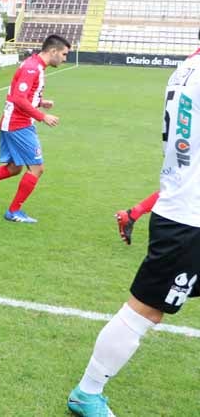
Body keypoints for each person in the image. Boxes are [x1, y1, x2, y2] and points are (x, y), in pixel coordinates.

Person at [66, 40, 200, 417]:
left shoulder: (188, 68)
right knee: (146, 309)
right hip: (189, 218)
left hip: (185, 204)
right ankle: (87, 392)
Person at [0, 34, 71, 224]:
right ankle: (13, 211)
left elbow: (21, 94)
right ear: (53, 51)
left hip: (17, 122)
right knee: (37, 168)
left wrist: (40, 102)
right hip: (18, 124)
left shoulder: (36, 65)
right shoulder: (32, 67)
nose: (65, 58)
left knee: (14, 168)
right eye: (64, 54)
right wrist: (42, 116)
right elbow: (18, 99)